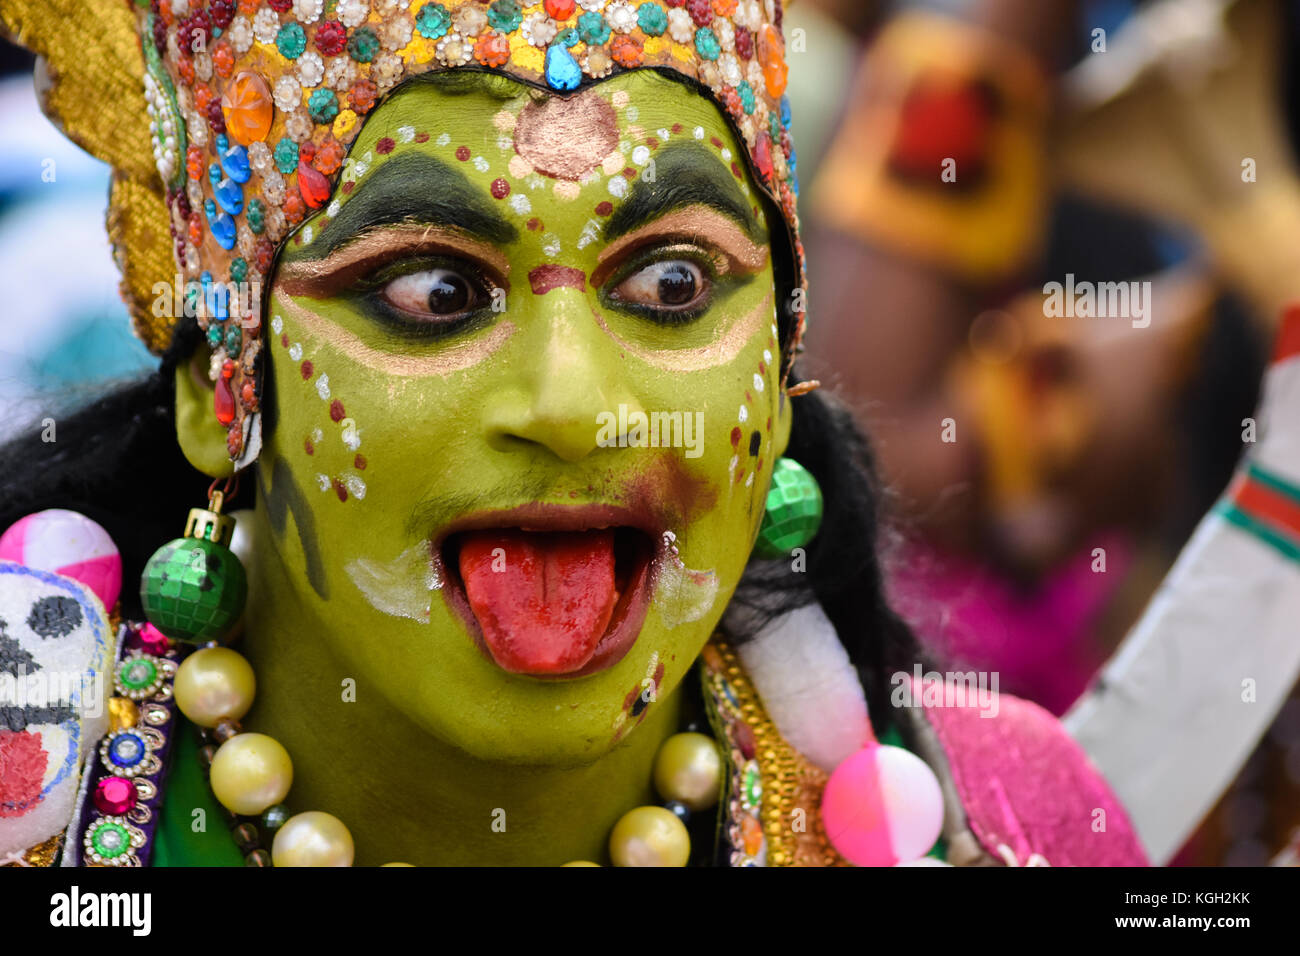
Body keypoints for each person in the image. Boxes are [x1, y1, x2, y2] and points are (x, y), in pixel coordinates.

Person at [0, 0, 1147, 867]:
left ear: (779, 363)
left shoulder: (1002, 813)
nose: (574, 404)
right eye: (435, 293)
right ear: (221, 384)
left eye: (670, 282)